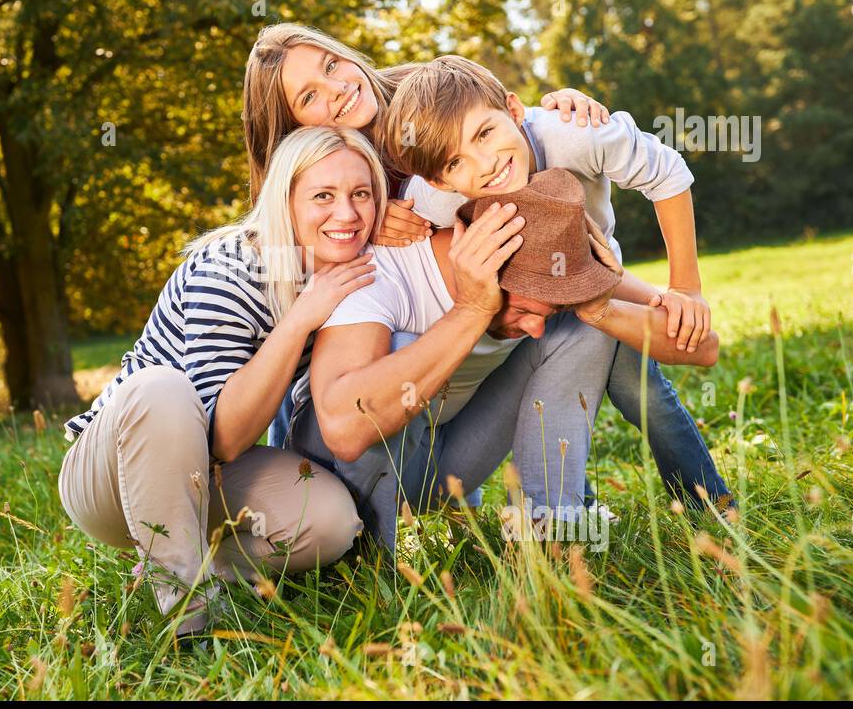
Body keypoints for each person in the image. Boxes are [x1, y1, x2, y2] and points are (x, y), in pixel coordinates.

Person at [59, 125, 389, 637]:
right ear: (285, 199)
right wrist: (300, 319)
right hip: (113, 474)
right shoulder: (231, 269)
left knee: (330, 522)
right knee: (162, 389)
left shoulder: (345, 273)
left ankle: (189, 561)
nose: (346, 214)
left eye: (360, 194)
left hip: (203, 477)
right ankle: (188, 615)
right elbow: (226, 437)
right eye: (323, 195)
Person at [290, 167, 717, 554]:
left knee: (584, 328)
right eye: (525, 311)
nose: (534, 329)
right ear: (480, 269)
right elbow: (345, 433)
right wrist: (473, 311)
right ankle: (368, 565)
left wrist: (602, 309)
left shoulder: (552, 253)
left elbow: (705, 349)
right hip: (334, 482)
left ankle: (548, 536)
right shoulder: (380, 273)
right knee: (399, 351)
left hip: (441, 466)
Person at [382, 54, 733, 508]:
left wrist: (684, 287)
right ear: (439, 180)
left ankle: (709, 502)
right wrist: (382, 222)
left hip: (591, 269)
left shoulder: (572, 134)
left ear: (513, 110)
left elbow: (666, 173)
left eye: (485, 133)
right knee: (551, 384)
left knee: (640, 390)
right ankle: (568, 508)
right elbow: (402, 241)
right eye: (456, 161)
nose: (485, 164)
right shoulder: (431, 198)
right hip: (521, 294)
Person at [242, 22, 610, 446]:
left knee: (589, 325)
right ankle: (310, 464)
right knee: (393, 354)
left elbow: (498, 127)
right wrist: (363, 222)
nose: (336, 88)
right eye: (309, 97)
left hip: (476, 306)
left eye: (331, 65)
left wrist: (554, 114)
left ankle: (564, 489)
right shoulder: (308, 191)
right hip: (356, 350)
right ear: (294, 128)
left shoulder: (415, 92)